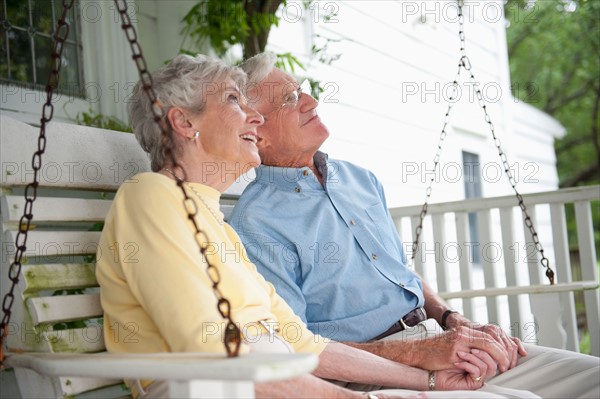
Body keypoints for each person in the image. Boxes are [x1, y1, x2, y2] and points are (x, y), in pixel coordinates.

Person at [96, 54, 504, 399]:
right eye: (235, 100)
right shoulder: (151, 195)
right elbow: (216, 354)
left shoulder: (214, 221)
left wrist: (430, 380)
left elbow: (303, 343)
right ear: (184, 123)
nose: (255, 118)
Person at [228, 52, 600, 399]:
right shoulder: (258, 223)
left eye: (302, 92)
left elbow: (401, 273)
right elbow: (295, 345)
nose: (311, 102)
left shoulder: (359, 179)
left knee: (591, 376)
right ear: (259, 133)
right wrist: (417, 353)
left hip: (439, 338)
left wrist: (455, 320)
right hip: (372, 373)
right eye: (290, 99)